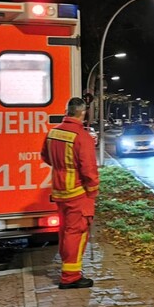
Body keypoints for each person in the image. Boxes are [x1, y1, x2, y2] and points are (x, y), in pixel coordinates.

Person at [41, 96, 100, 289]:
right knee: (77, 232)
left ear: (67, 111)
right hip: (77, 192)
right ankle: (70, 276)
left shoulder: (53, 133)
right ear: (82, 113)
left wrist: (62, 167)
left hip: (59, 190)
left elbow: (45, 157)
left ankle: (70, 270)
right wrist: (93, 192)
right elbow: (89, 170)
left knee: (65, 231)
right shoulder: (82, 137)